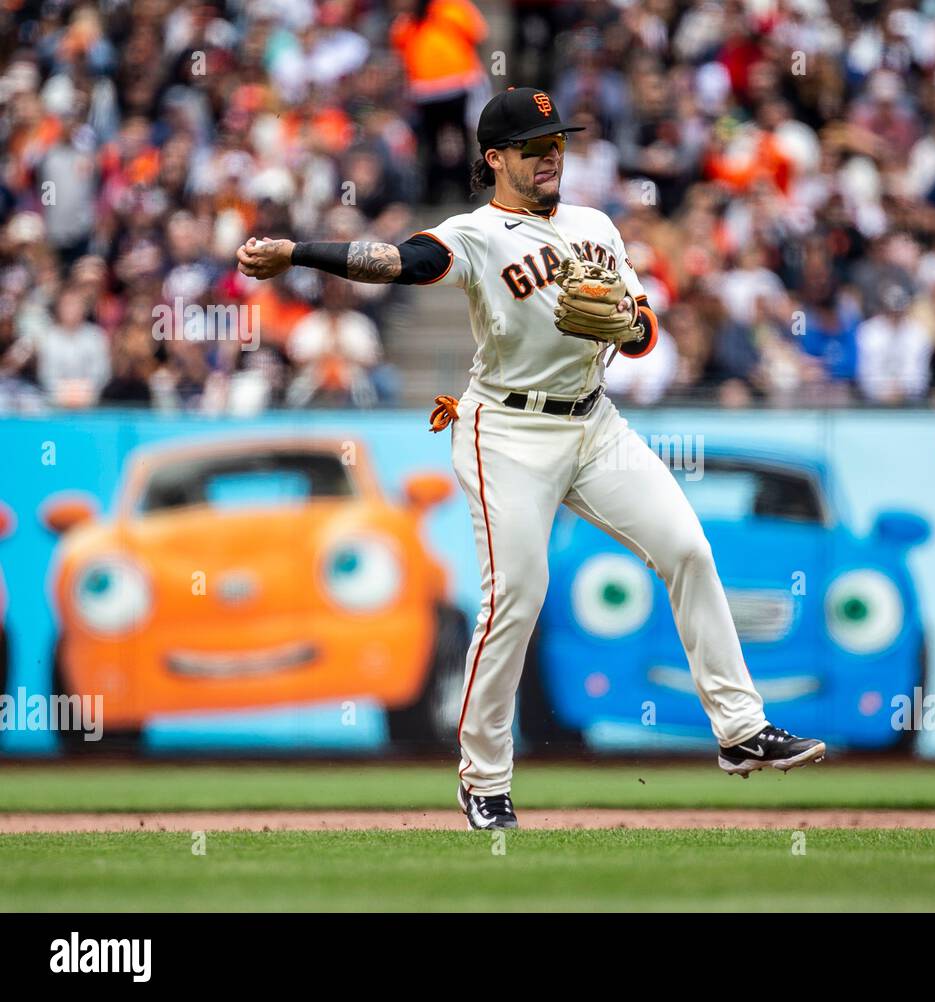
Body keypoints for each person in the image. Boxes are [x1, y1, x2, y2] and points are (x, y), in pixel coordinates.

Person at [237, 87, 825, 831]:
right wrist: (296, 252)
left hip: (595, 422)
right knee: (517, 594)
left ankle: (740, 730)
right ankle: (483, 779)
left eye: (557, 142)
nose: (551, 154)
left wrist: (628, 320)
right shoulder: (478, 233)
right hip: (506, 431)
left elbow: (644, 335)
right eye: (532, 146)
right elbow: (402, 262)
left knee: (688, 549)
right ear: (494, 160)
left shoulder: (596, 224)